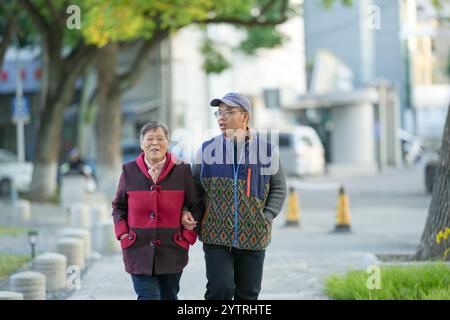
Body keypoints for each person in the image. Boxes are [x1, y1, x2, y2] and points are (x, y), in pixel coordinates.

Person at [182, 92, 287, 300]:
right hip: (215, 235)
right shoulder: (206, 151)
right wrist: (187, 210)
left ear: (245, 117)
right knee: (220, 289)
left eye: (229, 112)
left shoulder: (267, 151)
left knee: (247, 295)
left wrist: (265, 217)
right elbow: (193, 189)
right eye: (219, 113)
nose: (222, 117)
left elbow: (279, 188)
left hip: (254, 235)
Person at [111, 121, 203, 300]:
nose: (155, 143)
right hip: (137, 249)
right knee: (148, 296)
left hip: (172, 248)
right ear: (141, 143)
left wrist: (188, 236)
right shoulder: (129, 170)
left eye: (160, 138)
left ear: (167, 142)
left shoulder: (182, 170)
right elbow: (119, 206)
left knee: (169, 296)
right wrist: (123, 235)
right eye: (150, 139)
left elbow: (196, 204)